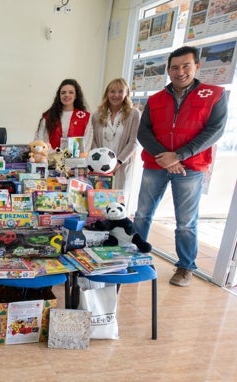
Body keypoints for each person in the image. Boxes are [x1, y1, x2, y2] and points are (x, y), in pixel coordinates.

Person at [134, 46, 228, 287]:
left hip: (191, 167)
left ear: (196, 66)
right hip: (155, 164)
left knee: (186, 221)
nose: (180, 71)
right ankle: (133, 256)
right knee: (143, 214)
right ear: (168, 70)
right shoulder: (155, 99)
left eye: (186, 66)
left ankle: (186, 267)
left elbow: (214, 131)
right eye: (175, 67)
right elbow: (143, 132)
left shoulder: (214, 94)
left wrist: (179, 155)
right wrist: (163, 157)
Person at [90, 78, 141, 193]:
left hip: (122, 165)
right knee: (99, 200)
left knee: (118, 201)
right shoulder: (97, 115)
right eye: (112, 91)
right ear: (107, 94)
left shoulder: (133, 114)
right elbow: (92, 140)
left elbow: (134, 141)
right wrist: (100, 162)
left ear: (126, 93)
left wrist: (117, 163)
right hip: (100, 166)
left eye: (120, 91)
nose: (116, 95)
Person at [35, 78, 93, 154]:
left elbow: (88, 140)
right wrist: (54, 155)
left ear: (76, 96)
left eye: (71, 92)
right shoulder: (48, 116)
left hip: (76, 162)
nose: (67, 95)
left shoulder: (84, 117)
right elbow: (41, 139)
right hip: (51, 160)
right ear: (59, 96)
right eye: (63, 92)